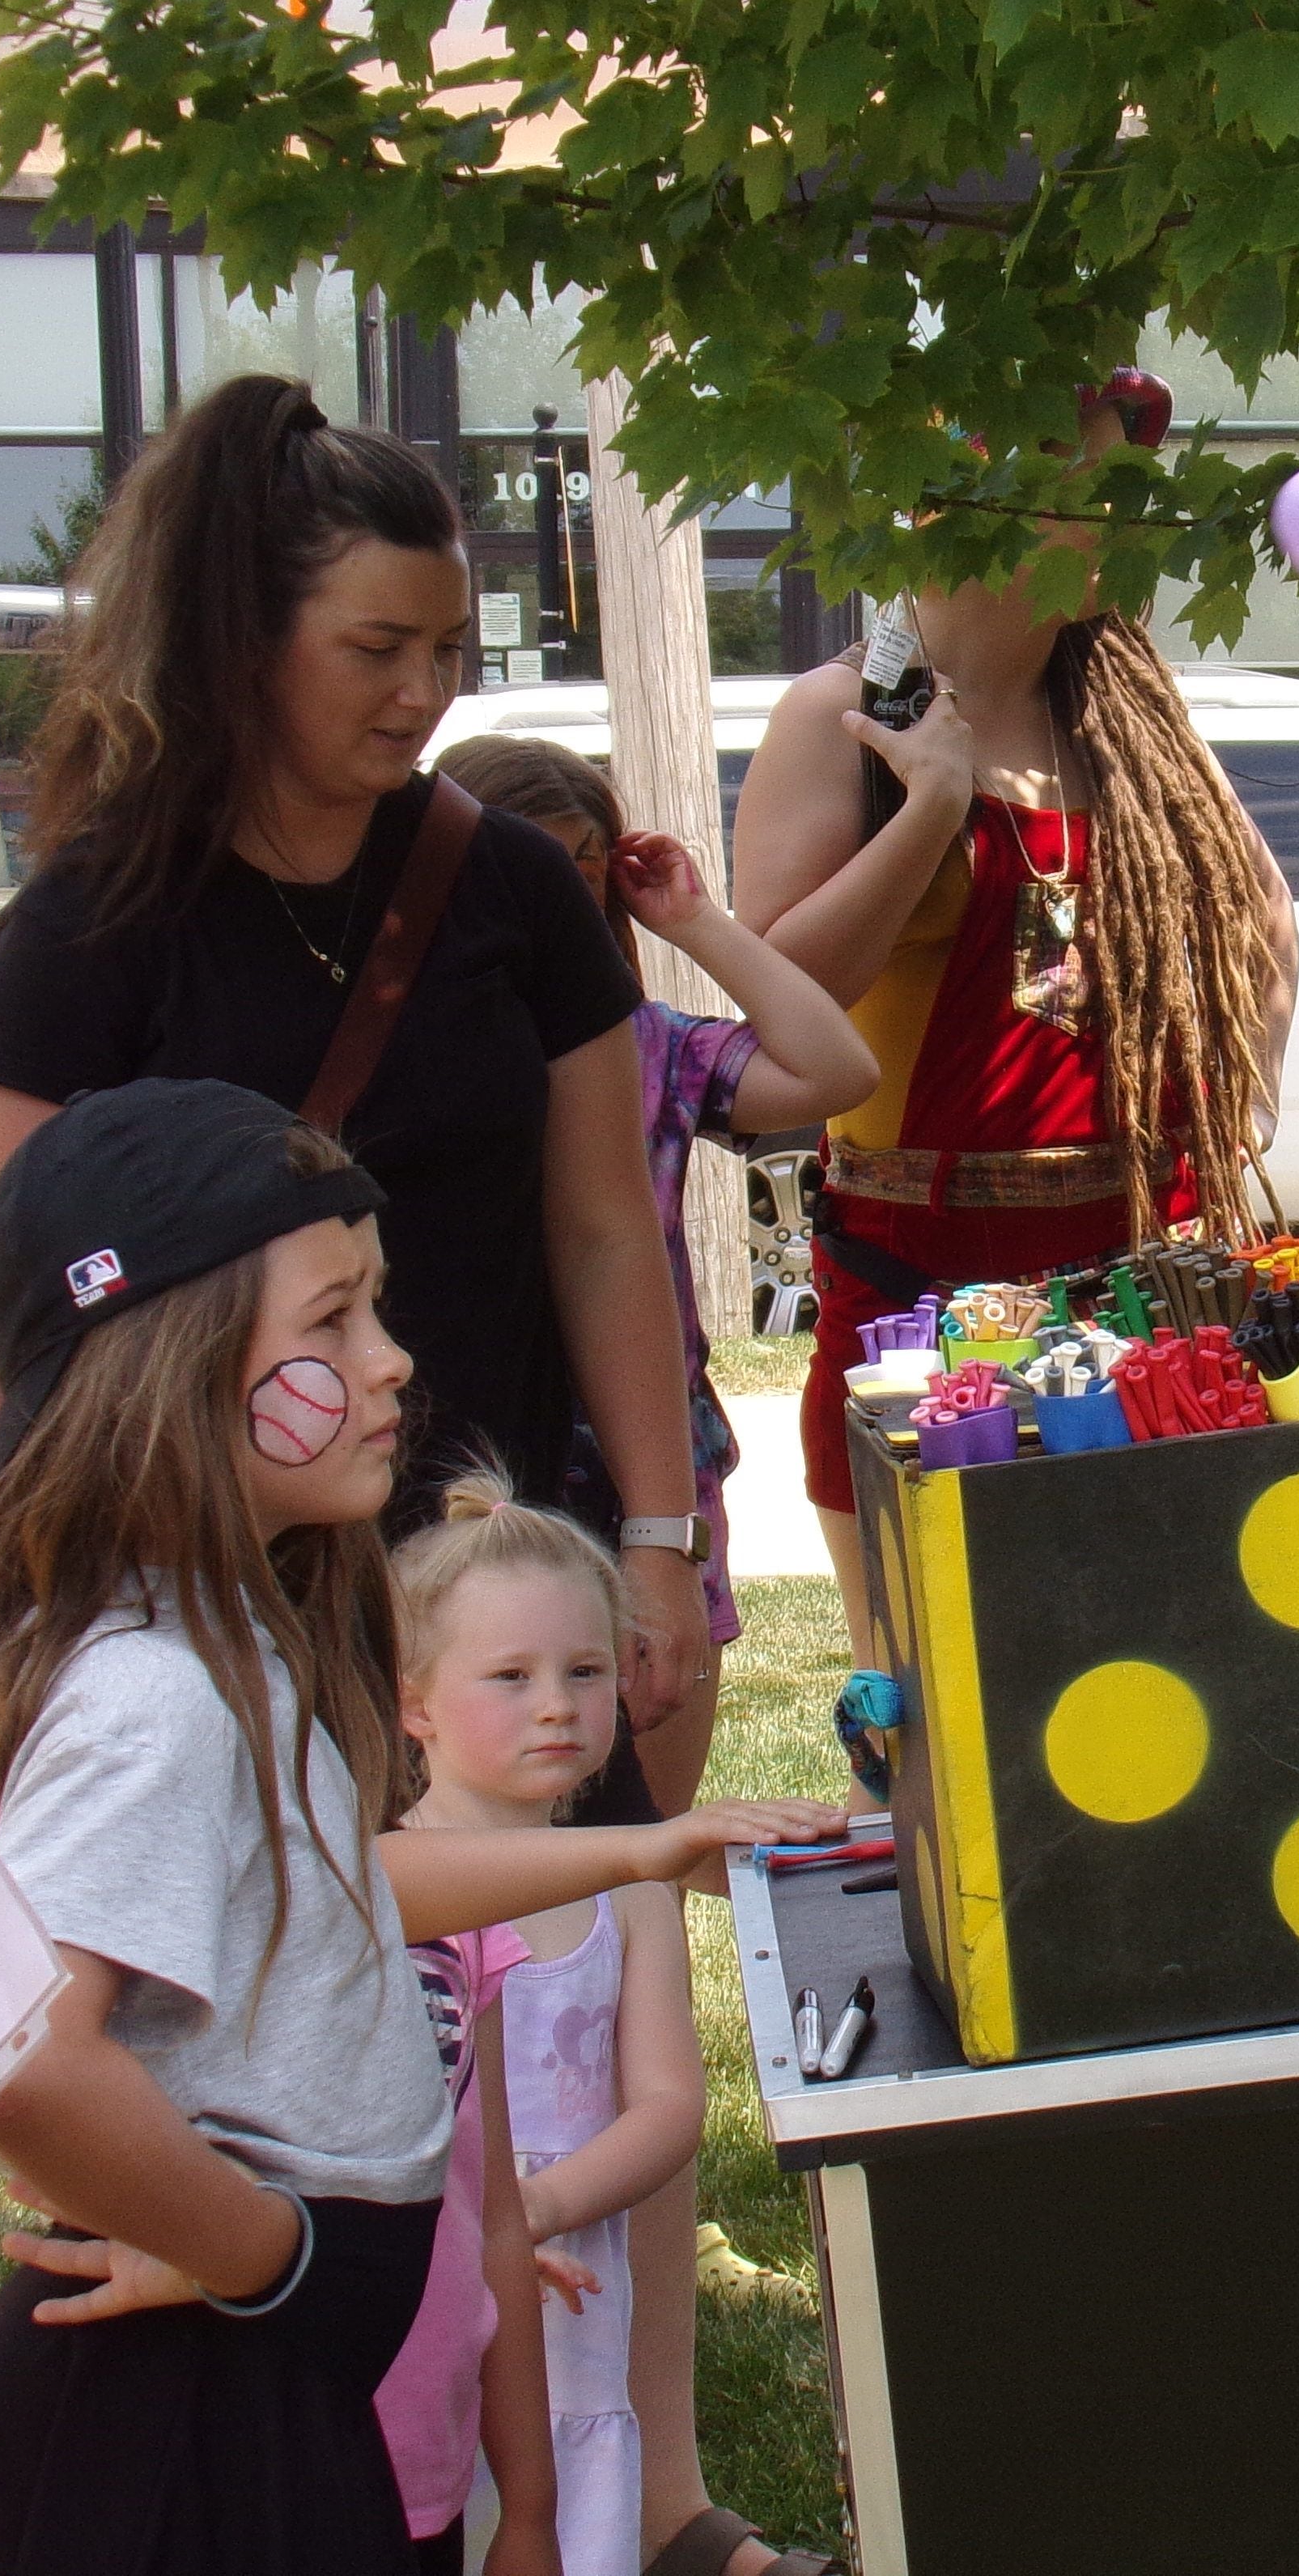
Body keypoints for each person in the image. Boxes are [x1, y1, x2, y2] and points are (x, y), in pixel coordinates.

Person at [0, 1080, 838, 2574]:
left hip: (259, 2390)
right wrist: (262, 2255)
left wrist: (642, 1848)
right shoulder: (155, 1694)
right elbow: (29, 2047)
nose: (389, 1362)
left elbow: (336, 1891)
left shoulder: (226, 1651)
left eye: (374, 1312)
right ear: (174, 1364)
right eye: (329, 1322)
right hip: (172, 2439)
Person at [0, 374, 714, 1819]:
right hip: (211, 1614)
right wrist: (21, 1604)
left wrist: (656, 1538)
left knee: (544, 2001)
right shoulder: (102, 912)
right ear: (247, 646)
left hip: (485, 1602)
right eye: (375, 648)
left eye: (447, 649)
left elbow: (606, 1233)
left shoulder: (516, 887)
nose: (423, 694)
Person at [726, 380, 1297, 1642]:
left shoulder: (1133, 721)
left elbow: (1265, 936)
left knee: (1179, 1663)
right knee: (946, 1708)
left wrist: (1213, 1142)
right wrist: (930, 810)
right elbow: (777, 999)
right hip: (918, 1309)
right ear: (972, 491)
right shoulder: (840, 721)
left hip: (1150, 1285)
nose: (1134, 523)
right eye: (1103, 491)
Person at [390, 1474, 838, 2576]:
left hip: (573, 2291)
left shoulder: (630, 1895)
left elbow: (671, 2108)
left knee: (571, 2509)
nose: (557, 1703)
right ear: (413, 1703)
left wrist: (536, 2208)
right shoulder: (386, 1885)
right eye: (512, 1677)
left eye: (585, 1672)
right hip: (425, 2294)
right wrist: (482, 2228)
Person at [431, 730, 877, 1804]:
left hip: (648, 1482)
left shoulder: (648, 1045)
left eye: (584, 874)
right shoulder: (420, 1045)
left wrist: (693, 919)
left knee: (640, 1826)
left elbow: (835, 1066)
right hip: (469, 1473)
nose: (553, 905)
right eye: (524, 867)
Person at [369, 1910, 561, 2576]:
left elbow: (495, 2216)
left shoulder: (461, 1919)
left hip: (426, 2468)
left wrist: (532, 2509)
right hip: (257, 2463)